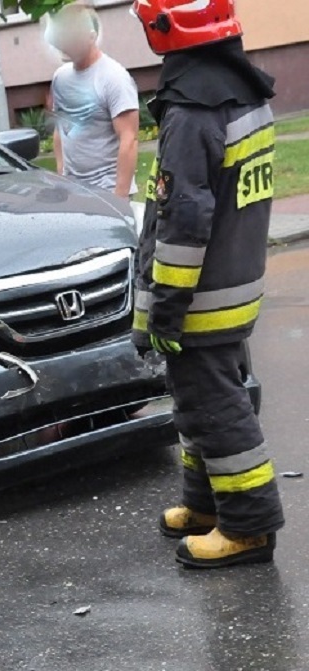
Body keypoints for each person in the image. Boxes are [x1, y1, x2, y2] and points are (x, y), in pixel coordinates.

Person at [131, 0, 284, 568]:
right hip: (232, 282)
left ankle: (248, 526)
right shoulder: (241, 93)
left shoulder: (193, 110)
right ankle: (206, 504)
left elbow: (184, 222)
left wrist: (165, 307)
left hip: (198, 296)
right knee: (198, 402)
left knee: (216, 409)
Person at [48, 3, 139, 199]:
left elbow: (129, 139)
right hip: (74, 192)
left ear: (91, 37)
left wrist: (120, 198)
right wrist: (61, 171)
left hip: (107, 191)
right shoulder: (60, 78)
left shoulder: (114, 78)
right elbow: (60, 129)